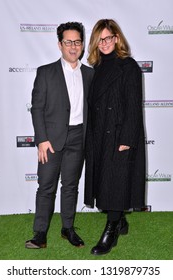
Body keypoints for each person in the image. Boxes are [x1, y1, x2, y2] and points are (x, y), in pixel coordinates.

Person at [25, 22, 94, 249]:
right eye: (68, 42)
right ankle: (40, 233)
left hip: (78, 137)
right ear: (59, 44)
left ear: (82, 45)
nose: (73, 47)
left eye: (77, 42)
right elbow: (37, 108)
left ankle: (68, 228)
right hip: (51, 140)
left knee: (71, 186)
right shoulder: (45, 72)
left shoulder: (89, 74)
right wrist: (41, 140)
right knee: (46, 186)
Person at [84, 19, 146, 255]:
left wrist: (127, 139)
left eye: (109, 38)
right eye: (100, 39)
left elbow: (133, 105)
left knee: (115, 184)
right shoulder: (96, 69)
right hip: (99, 135)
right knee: (104, 182)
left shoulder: (128, 66)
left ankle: (111, 229)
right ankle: (119, 221)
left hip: (119, 134)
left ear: (117, 38)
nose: (105, 43)